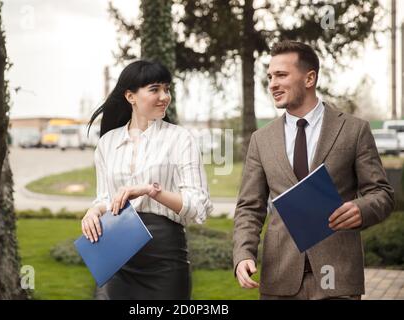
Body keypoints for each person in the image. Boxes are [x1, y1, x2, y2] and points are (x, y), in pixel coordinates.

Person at [232, 40, 394, 300]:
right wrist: (243, 254)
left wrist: (361, 209)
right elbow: (249, 207)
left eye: (281, 75)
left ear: (310, 78)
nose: (272, 83)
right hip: (279, 278)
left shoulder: (354, 130)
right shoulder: (261, 139)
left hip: (338, 276)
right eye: (270, 76)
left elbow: (382, 194)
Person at [81, 60, 213, 300]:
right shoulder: (107, 143)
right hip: (116, 255)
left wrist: (151, 191)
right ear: (131, 96)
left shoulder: (181, 139)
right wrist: (93, 211)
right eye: (155, 89)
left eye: (167, 89)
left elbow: (198, 206)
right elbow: (105, 198)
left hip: (165, 260)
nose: (164, 96)